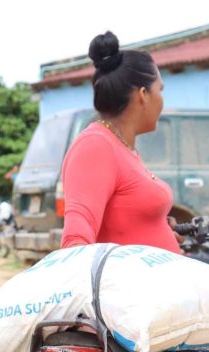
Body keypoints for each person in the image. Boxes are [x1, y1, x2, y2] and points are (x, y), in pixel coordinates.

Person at [60, 31, 180, 253]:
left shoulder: (122, 147)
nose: (162, 100)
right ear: (143, 94)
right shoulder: (96, 146)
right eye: (160, 90)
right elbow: (76, 240)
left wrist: (156, 227)